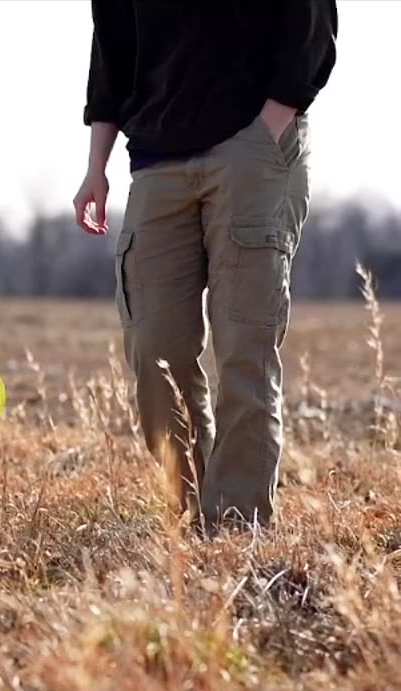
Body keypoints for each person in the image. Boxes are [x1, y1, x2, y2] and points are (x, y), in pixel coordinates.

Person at [72, 1, 337, 534]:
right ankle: (190, 515)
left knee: (245, 347)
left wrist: (269, 126)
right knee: (154, 349)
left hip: (251, 147)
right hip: (155, 161)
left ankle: (236, 527)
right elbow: (112, 50)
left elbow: (311, 23)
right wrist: (95, 166)